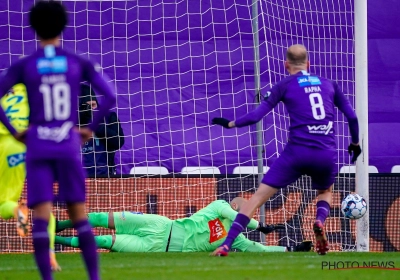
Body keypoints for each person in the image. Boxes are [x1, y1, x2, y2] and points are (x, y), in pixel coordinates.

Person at [0, 2, 116, 280]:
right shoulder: (77, 61)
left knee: (40, 213)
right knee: (78, 213)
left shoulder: (24, 65)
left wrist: (15, 131)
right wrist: (88, 129)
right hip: (66, 143)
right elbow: (110, 96)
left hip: (37, 144)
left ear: (33, 29)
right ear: (64, 26)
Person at [211, 44, 361, 256]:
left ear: (285, 65)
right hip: (324, 152)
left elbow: (255, 117)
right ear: (308, 64)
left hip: (296, 153)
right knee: (325, 191)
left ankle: (226, 244)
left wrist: (230, 124)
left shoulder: (284, 85)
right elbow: (352, 117)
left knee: (256, 198)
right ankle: (319, 220)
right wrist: (355, 143)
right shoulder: (329, 84)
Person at [55, 198, 312, 253]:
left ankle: (57, 241)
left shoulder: (233, 239)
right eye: (241, 202)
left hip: (156, 248)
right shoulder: (219, 206)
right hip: (161, 225)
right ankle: (59, 225)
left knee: (101, 241)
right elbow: (234, 216)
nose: (240, 203)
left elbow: (260, 250)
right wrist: (260, 225)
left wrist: (290, 250)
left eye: (245, 204)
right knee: (101, 218)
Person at [0, 84, 60, 271]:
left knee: (3, 203)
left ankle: (17, 208)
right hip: (33, 144)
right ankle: (49, 254)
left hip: (6, 143)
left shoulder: (5, 93)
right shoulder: (40, 92)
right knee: (43, 206)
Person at [79, 84, 125, 176]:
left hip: (104, 175)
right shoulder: (71, 121)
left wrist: (94, 123)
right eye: (87, 106)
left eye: (93, 105)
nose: (91, 109)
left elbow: (118, 142)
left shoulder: (108, 117)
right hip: (77, 176)